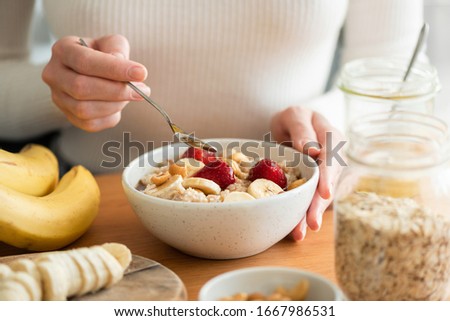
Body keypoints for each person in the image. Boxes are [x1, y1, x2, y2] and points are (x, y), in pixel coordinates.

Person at [0, 0, 425, 241]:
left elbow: (400, 77)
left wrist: (327, 119)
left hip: (294, 216)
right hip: (94, 213)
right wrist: (63, 90)